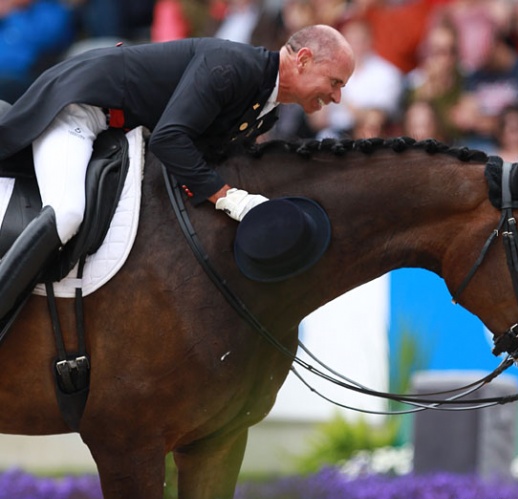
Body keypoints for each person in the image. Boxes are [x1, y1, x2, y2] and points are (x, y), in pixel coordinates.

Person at [0, 24, 355, 323]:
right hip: (80, 106)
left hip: (116, 129)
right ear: (304, 60)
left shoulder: (267, 105)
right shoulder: (233, 68)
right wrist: (228, 197)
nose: (337, 97)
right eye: (335, 82)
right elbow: (169, 140)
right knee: (67, 212)